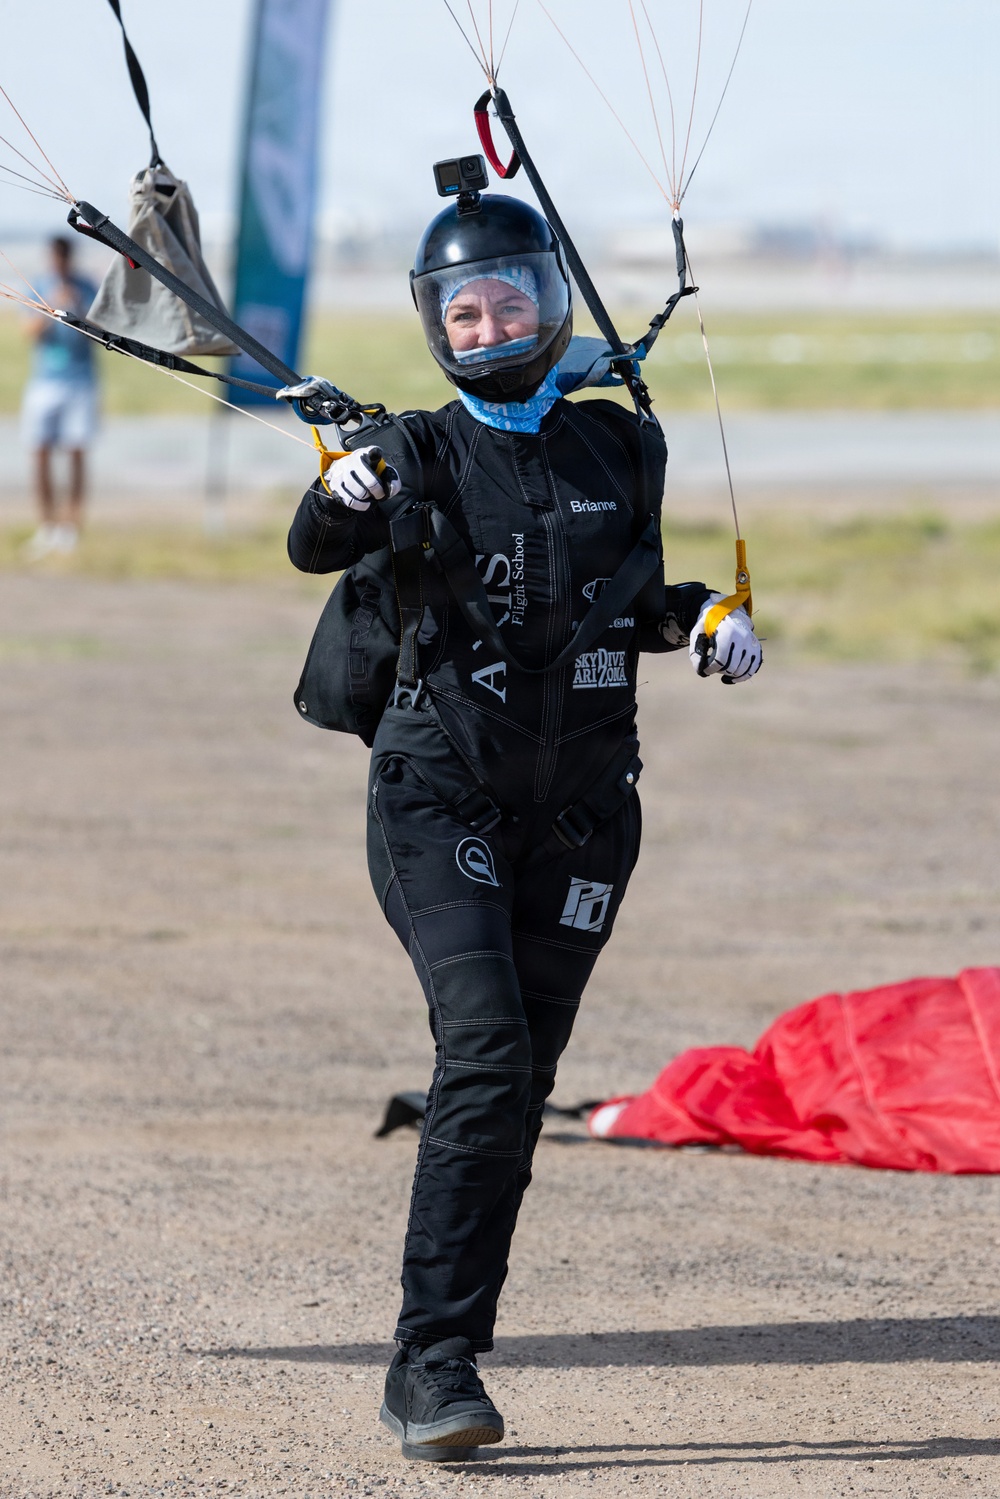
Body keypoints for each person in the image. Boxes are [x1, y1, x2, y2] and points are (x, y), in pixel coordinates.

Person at [286, 192, 762, 1463]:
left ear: (554, 302)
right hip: (438, 797)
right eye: (463, 306)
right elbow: (314, 538)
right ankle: (429, 1361)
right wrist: (340, 487)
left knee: (516, 1086)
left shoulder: (620, 445)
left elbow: (622, 599)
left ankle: (449, 1351)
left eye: (511, 297)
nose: (489, 320)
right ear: (435, 327)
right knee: (487, 1051)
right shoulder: (413, 448)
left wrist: (699, 615)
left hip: (588, 816)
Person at [21, 235, 100, 558]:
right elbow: (27, 334)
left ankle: (71, 527)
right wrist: (49, 308)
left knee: (76, 449)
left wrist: (77, 306)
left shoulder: (86, 287)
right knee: (39, 450)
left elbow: (99, 333)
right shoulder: (38, 285)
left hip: (80, 380)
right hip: (45, 380)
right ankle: (46, 525)